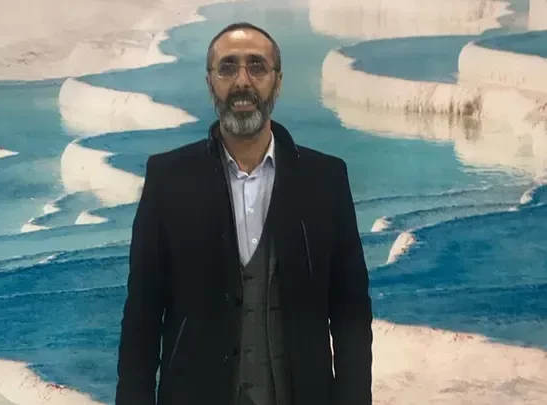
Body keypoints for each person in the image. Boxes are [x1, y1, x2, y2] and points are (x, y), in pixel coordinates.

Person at [115, 21, 373, 405]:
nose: (242, 81)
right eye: (228, 67)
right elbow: (142, 316)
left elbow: (351, 313)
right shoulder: (168, 180)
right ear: (210, 83)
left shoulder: (326, 179)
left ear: (277, 81)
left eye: (256, 66)